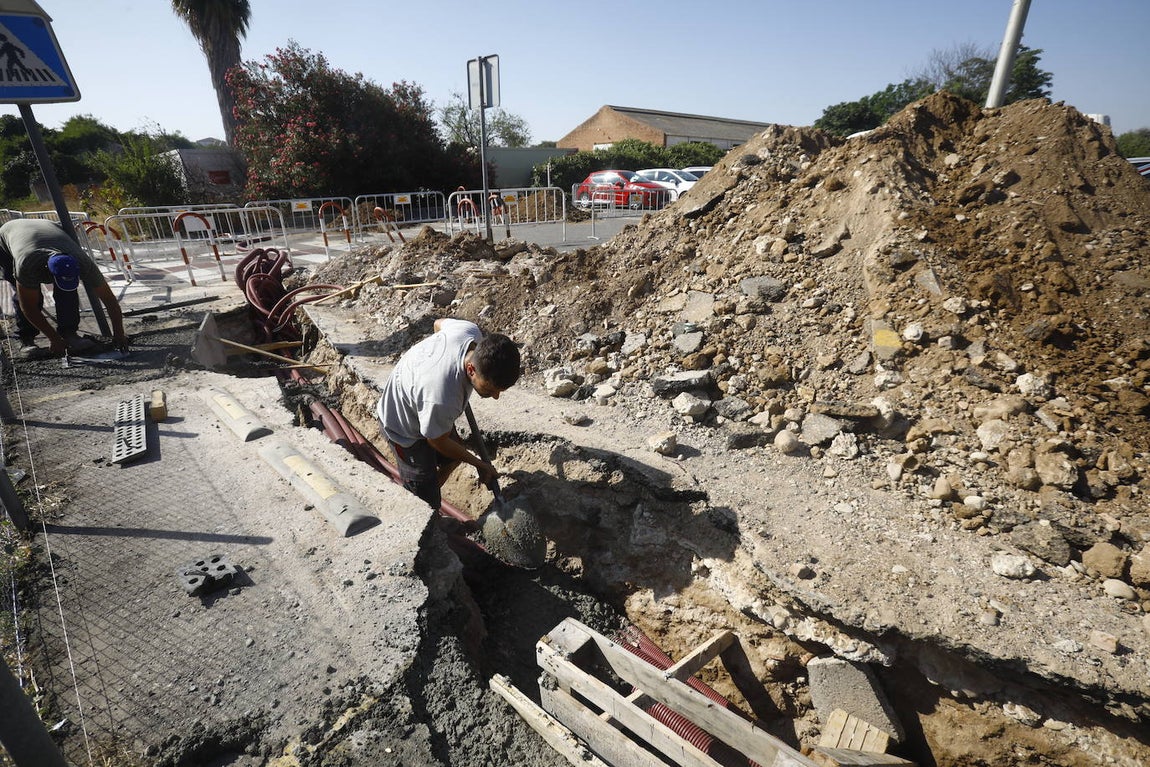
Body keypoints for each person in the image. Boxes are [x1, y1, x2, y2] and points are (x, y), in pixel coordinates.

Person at [377, 318, 521, 510]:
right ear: (471, 369)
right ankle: (423, 503)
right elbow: (436, 441)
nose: (495, 397)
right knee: (424, 503)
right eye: (490, 389)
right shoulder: (442, 396)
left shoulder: (468, 332)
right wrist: (479, 463)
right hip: (402, 426)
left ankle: (431, 489)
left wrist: (439, 360)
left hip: (427, 407)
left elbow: (438, 324)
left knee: (452, 457)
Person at [0, 218, 128, 357]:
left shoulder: (83, 262)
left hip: (48, 231)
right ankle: (26, 339)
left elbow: (109, 300)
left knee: (67, 291)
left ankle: (69, 333)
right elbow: (28, 306)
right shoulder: (27, 264)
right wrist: (53, 338)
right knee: (30, 297)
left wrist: (119, 333)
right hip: (7, 240)